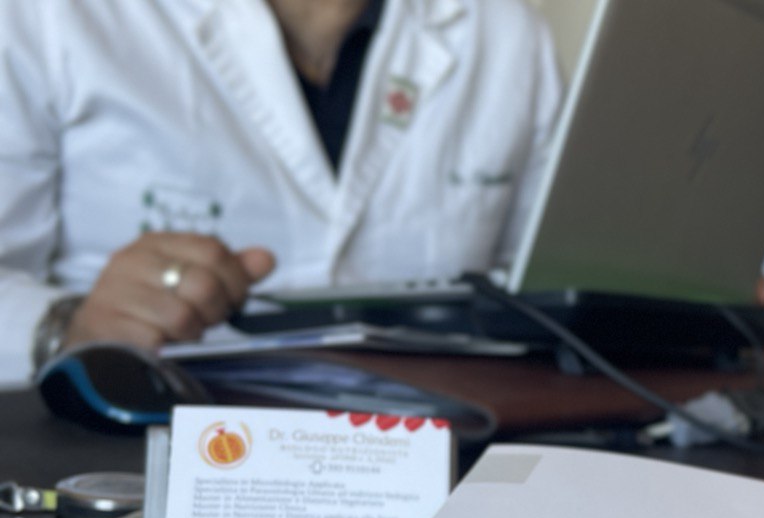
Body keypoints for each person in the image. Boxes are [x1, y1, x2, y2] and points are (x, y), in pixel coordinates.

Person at [0, 0, 563, 383]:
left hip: (435, 458)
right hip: (135, 452)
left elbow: (552, 297)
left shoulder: (506, 30)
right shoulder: (48, 16)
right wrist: (64, 326)